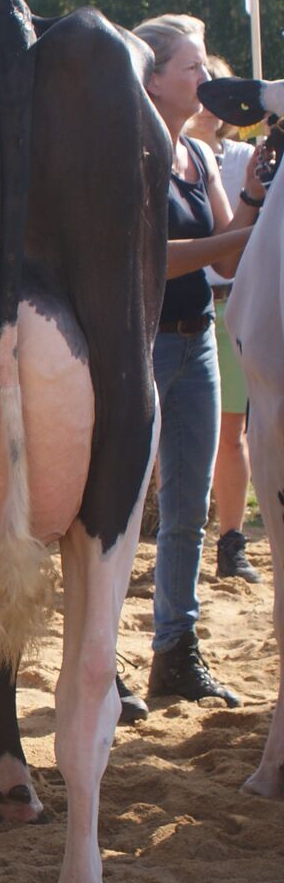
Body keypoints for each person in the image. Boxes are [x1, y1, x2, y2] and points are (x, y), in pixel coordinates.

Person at [130, 14, 264, 706]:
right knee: (118, 511)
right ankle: (106, 663)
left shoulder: (202, 156)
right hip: (140, 340)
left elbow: (232, 253)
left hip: (197, 338)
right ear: (153, 79)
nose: (208, 78)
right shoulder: (132, 152)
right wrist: (230, 234)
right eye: (194, 66)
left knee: (188, 509)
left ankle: (174, 654)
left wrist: (254, 192)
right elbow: (157, 258)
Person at [187, 53, 263, 582]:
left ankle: (231, 540)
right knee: (178, 433)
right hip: (185, 300)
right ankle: (181, 529)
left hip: (232, 302)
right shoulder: (171, 153)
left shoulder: (246, 156)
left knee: (232, 430)